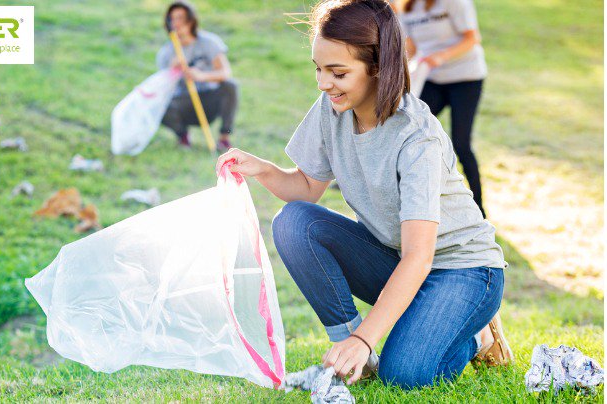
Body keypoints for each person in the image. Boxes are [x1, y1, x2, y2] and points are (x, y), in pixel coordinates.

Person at [216, 0, 512, 389]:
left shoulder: (416, 136)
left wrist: (366, 336)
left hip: (464, 269)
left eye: (337, 72)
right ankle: (356, 355)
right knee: (295, 222)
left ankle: (477, 336)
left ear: (378, 67)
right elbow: (306, 189)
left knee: (405, 376)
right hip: (396, 259)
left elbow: (420, 256)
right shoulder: (331, 108)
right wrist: (263, 170)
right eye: (318, 69)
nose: (323, 83)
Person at [398, 0, 487, 216]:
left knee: (461, 143)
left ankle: (479, 211)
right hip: (432, 78)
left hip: (465, 78)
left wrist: (441, 56)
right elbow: (411, 48)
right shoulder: (405, 7)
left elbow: (472, 38)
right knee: (407, 131)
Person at [156, 1, 237, 151]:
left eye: (180, 17)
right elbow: (162, 87)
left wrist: (201, 76)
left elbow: (225, 73)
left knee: (230, 86)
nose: (176, 23)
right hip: (184, 103)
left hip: (209, 99)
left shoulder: (209, 42)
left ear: (191, 19)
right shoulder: (166, 52)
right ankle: (182, 135)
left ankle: (224, 138)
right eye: (172, 19)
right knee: (157, 104)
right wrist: (172, 71)